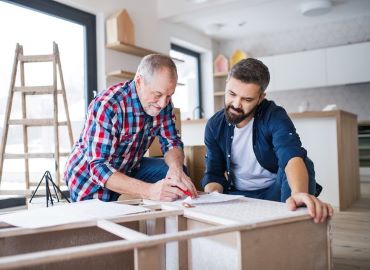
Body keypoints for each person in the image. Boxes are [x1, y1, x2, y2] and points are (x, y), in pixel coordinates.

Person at [201, 58, 333, 223]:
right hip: (237, 196)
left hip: (274, 193)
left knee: (306, 162)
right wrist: (212, 198)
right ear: (227, 83)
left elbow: (291, 156)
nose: (236, 104)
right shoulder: (214, 125)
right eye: (232, 94)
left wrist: (298, 193)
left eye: (247, 99)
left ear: (261, 97)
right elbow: (213, 173)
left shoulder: (274, 115)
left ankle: (295, 220)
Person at [64, 54, 197, 202]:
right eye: (158, 94)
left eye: (169, 95)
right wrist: (149, 191)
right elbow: (99, 168)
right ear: (139, 82)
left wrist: (176, 169)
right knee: (106, 219)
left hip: (128, 167)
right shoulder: (108, 105)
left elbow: (172, 142)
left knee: (177, 176)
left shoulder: (164, 104)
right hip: (88, 179)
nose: (163, 103)